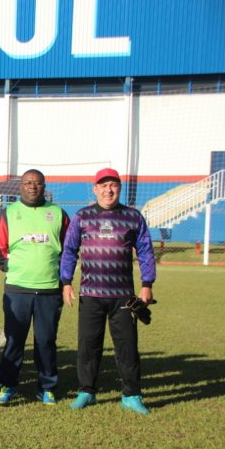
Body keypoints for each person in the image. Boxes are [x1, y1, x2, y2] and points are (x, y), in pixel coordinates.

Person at [60, 168, 156, 415]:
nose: (108, 190)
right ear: (95, 189)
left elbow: (145, 250)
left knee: (127, 346)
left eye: (113, 185)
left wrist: (147, 284)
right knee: (88, 345)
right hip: (90, 294)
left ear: (119, 188)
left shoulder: (133, 216)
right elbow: (69, 250)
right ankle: (86, 392)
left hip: (123, 296)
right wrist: (66, 282)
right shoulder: (82, 217)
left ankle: (131, 395)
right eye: (103, 185)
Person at [0, 169, 70, 405]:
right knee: (14, 340)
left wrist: (62, 276)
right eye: (27, 182)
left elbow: (68, 248)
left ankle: (47, 386)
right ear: (21, 186)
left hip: (49, 289)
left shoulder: (58, 213)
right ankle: (8, 384)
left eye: (37, 183)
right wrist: (10, 267)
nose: (32, 187)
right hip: (18, 289)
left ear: (44, 186)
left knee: (45, 341)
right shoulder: (8, 213)